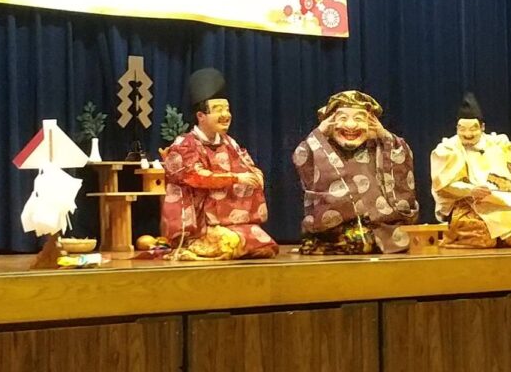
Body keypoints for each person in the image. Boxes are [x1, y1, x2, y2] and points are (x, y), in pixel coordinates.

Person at [160, 68, 277, 260]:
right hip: (199, 223)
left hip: (227, 218)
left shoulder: (229, 142)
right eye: (218, 110)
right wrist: (236, 178)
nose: (226, 115)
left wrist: (256, 175)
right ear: (201, 116)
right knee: (231, 242)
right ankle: (192, 244)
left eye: (227, 109)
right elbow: (195, 175)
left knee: (265, 245)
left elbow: (247, 164)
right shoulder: (185, 145)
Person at [293, 90, 419, 254]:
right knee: (354, 239)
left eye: (359, 119)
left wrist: (385, 136)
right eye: (342, 118)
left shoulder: (380, 146)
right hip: (334, 226)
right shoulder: (321, 148)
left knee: (399, 236)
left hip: (380, 224)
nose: (351, 125)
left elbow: (401, 160)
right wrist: (318, 135)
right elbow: (302, 158)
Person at [430, 92, 511, 248]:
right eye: (462, 129)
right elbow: (444, 185)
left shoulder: (497, 144)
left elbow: (509, 176)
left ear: (482, 127)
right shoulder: (448, 149)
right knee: (482, 239)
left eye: (473, 129)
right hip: (468, 203)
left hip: (500, 203)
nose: (467, 134)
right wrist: (471, 190)